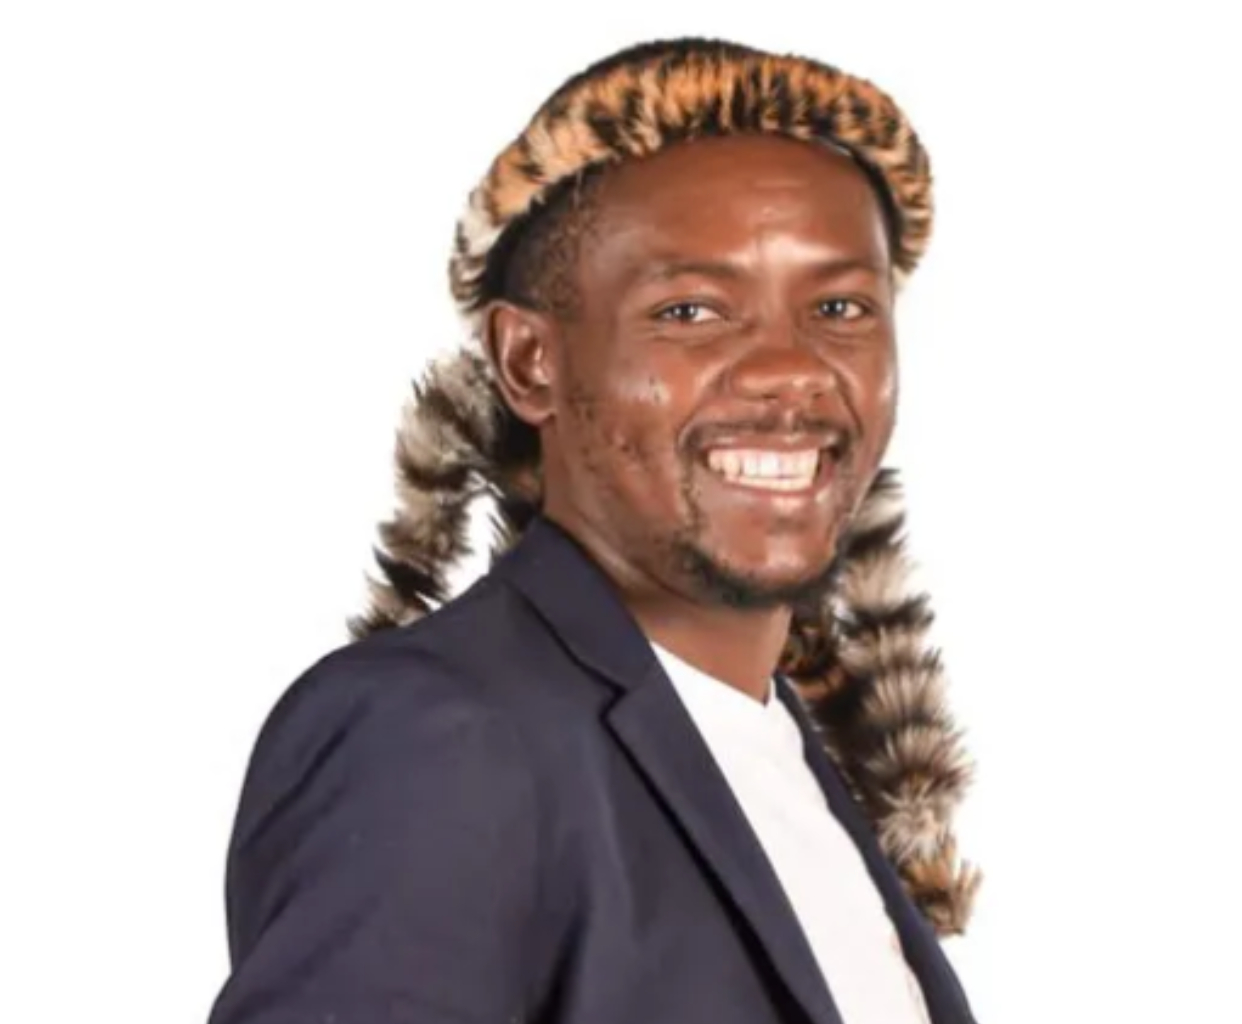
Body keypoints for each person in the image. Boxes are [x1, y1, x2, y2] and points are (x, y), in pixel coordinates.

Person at [207, 36, 981, 1024]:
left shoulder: (785, 758)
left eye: (839, 306)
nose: (791, 369)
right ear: (530, 362)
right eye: (691, 310)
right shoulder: (440, 739)